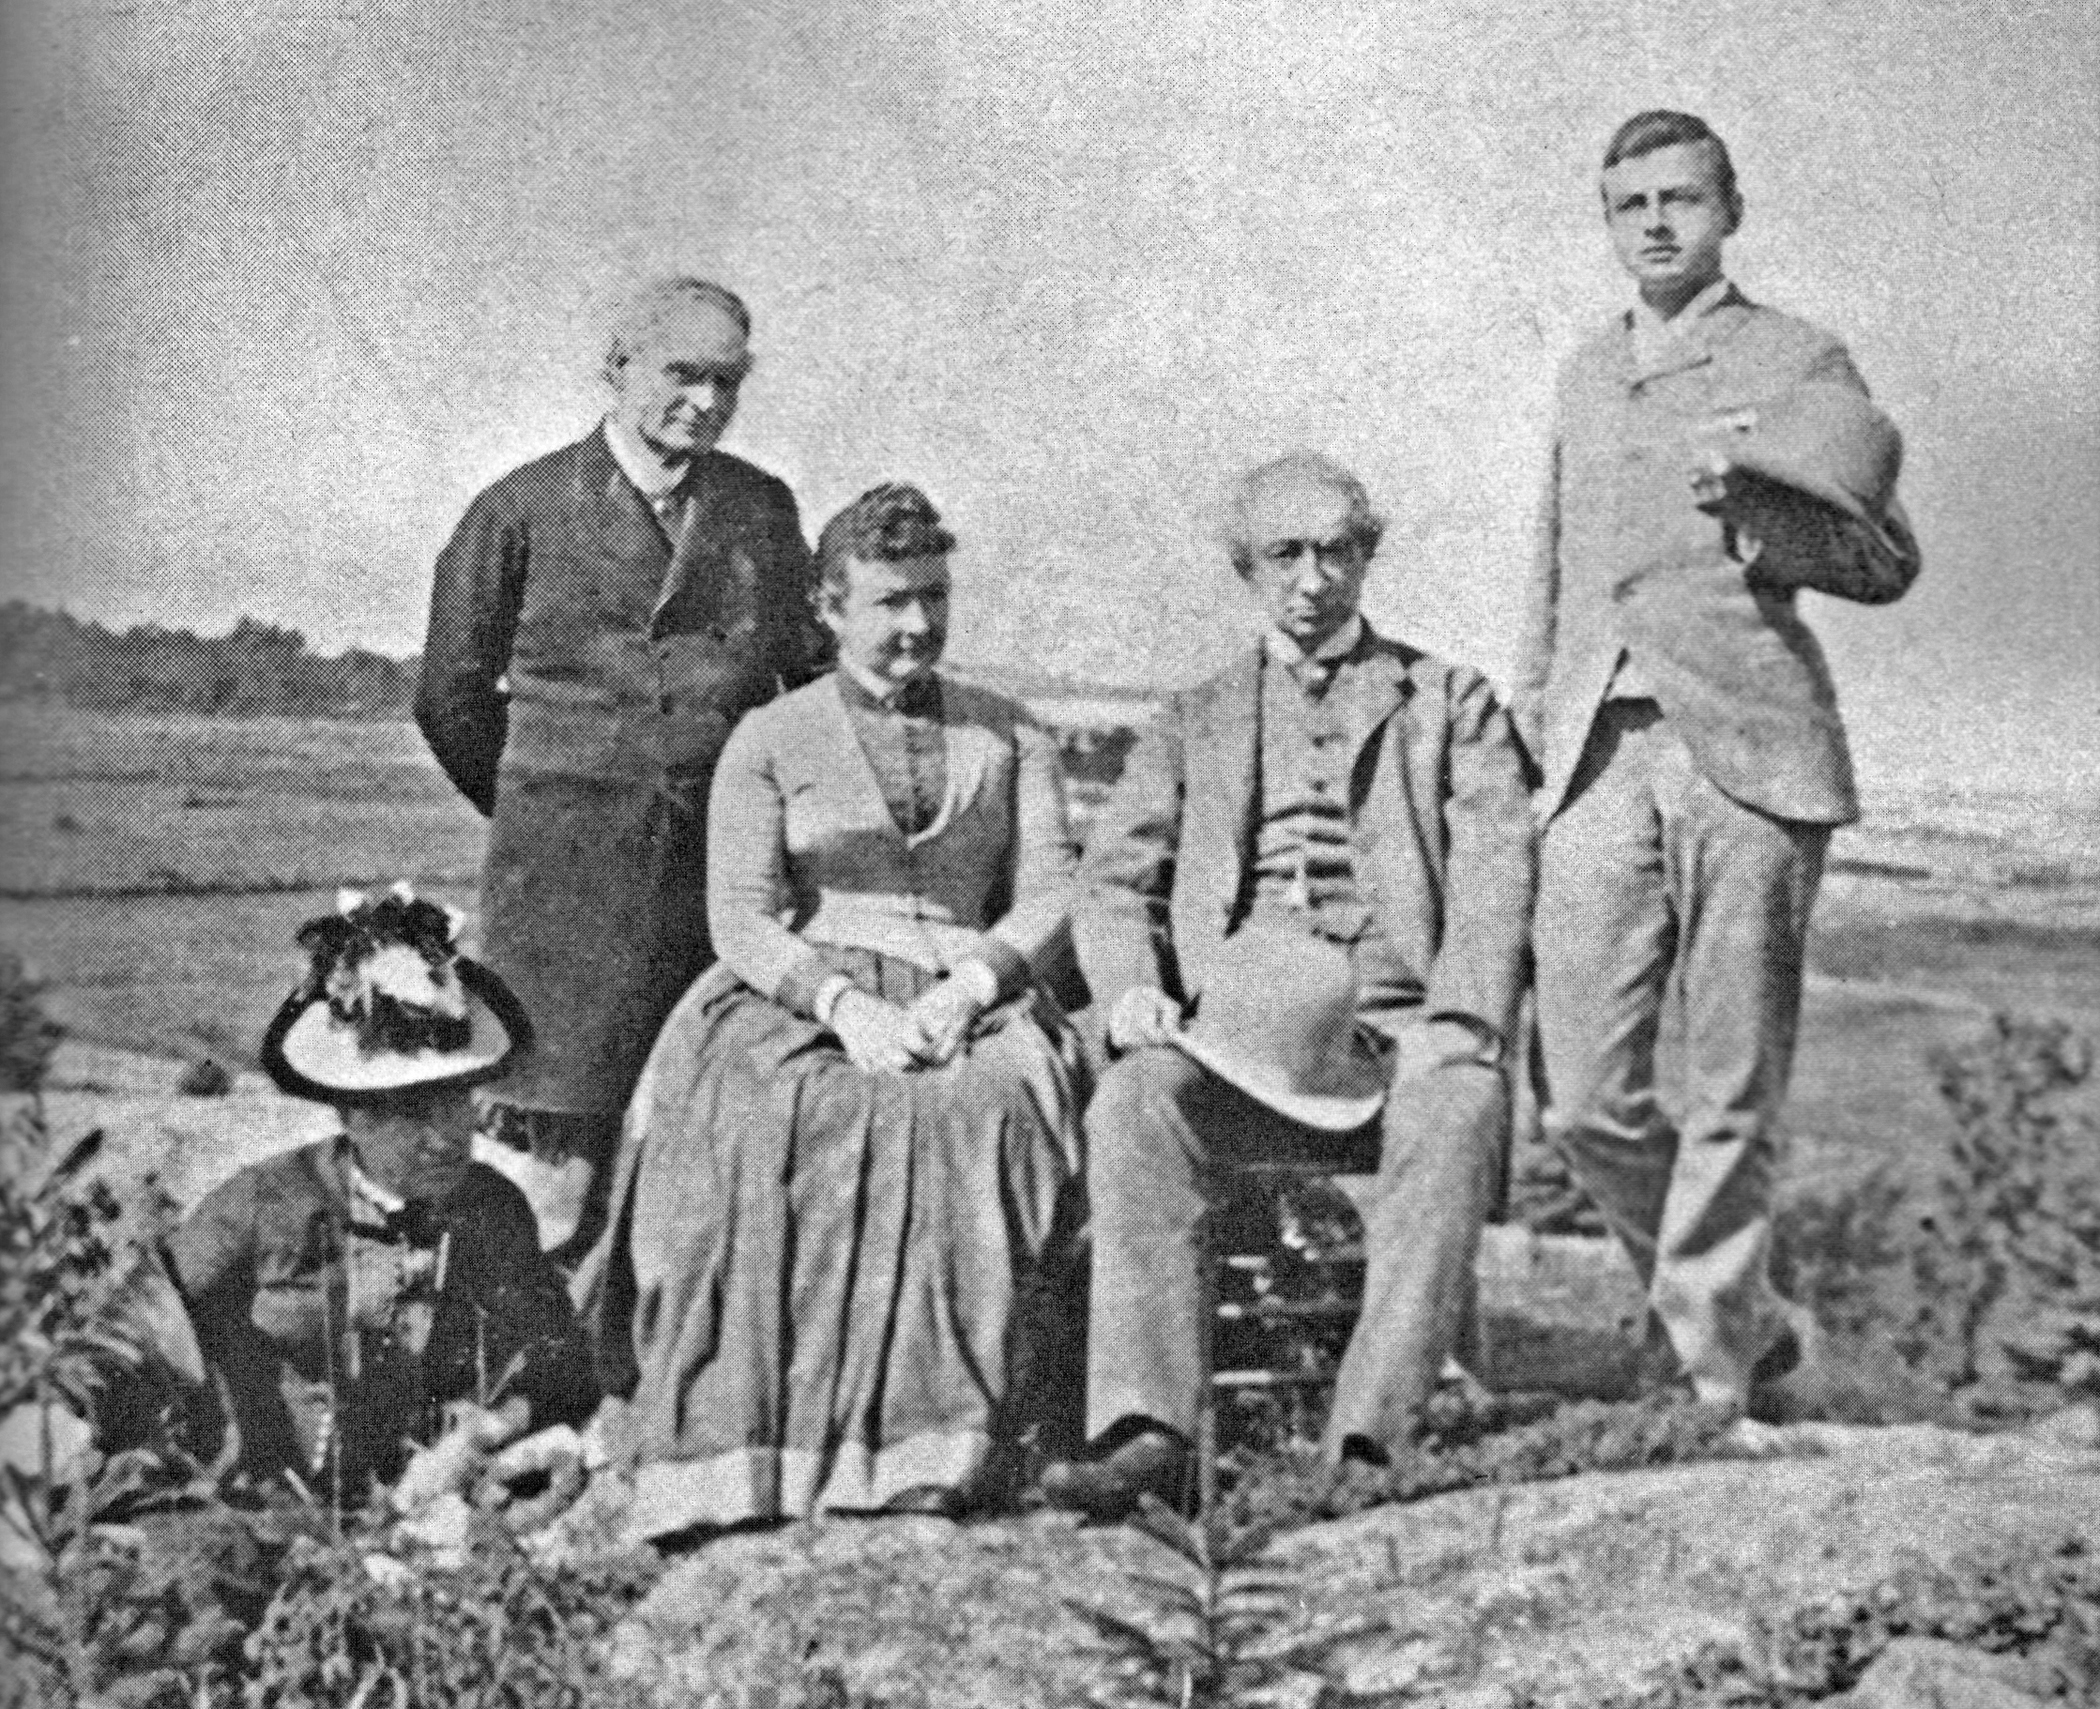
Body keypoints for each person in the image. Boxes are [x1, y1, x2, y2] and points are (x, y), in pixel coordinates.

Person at [576, 483, 1083, 1538]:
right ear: (829, 606)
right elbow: (741, 916)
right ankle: (750, 1459)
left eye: (934, 597)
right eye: (892, 600)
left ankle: (941, 1450)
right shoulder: (769, 736)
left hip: (967, 989)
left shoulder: (1013, 733)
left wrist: (974, 985)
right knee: (775, 1119)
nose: (917, 624)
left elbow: (1050, 893)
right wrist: (842, 1005)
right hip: (799, 992)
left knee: (987, 1113)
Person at [1512, 111, 1921, 1417]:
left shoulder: (1799, 357)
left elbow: (1883, 560)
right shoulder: (1584, 371)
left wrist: (1761, 510)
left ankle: (1709, 1377)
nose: (1655, 223)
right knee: (1580, 1098)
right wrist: (1532, 735)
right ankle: (1743, 1315)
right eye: (1628, 202)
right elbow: (1553, 577)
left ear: (1728, 209)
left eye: (1679, 197)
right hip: (1594, 750)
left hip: (1748, 750)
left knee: (1734, 1085)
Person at [1040, 454, 1535, 1520]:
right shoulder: (1193, 717)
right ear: (1245, 567)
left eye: (1338, 551)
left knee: (1464, 1102)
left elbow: (1497, 878)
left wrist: (1464, 1019)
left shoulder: (1450, 704)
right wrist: (1130, 987)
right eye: (1287, 554)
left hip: (1398, 1030)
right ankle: (1146, 1428)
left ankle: (1368, 1439)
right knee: (1135, 1100)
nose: (1314, 579)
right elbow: (1115, 881)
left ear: (1368, 555)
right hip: (1242, 1037)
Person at [414, 275, 826, 1257]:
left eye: (728, 382)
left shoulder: (760, 513)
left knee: (701, 1180)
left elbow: (805, 685)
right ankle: (523, 1400)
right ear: (617, 369)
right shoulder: (516, 511)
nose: (708, 403)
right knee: (552, 1192)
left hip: (718, 899)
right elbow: (450, 700)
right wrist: (544, 805)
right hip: (563, 910)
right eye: (685, 375)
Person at [48, 887, 596, 1507]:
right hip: (266, 1501)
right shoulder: (267, 1202)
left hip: (439, 1504)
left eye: (457, 1104)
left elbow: (564, 1359)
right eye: (412, 1113)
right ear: (352, 1116)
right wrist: (66, 1411)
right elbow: (138, 1324)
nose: (445, 1138)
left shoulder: (493, 1210)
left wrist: (491, 1427)